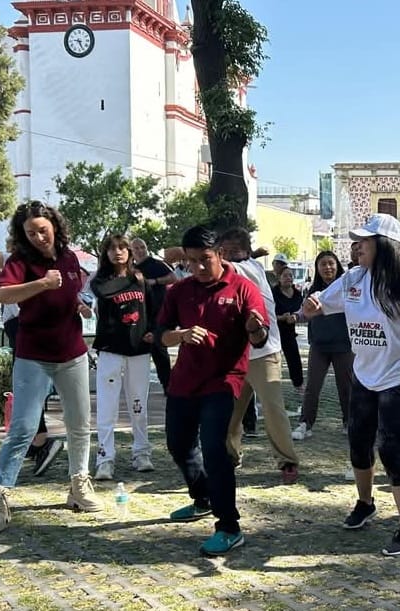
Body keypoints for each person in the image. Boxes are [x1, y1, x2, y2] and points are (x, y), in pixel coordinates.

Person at [302, 214, 400, 556]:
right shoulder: (352, 279)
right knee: (358, 443)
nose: (357, 247)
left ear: (384, 246)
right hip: (364, 373)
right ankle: (365, 503)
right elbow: (316, 307)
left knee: (390, 448)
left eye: (365, 242)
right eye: (357, 241)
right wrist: (311, 306)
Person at [0, 202, 103, 532]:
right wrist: (40, 285)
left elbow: (72, 291)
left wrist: (79, 304)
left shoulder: (69, 257)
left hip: (73, 354)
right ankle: (0, 498)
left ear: (54, 226)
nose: (38, 236)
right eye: (30, 232)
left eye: (43, 230)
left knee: (79, 424)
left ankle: (78, 485)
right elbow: (3, 296)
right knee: (22, 429)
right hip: (33, 356)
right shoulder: (21, 261)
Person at [157, 225, 269, 556]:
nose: (198, 268)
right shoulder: (179, 290)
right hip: (184, 380)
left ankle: (229, 526)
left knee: (215, 449)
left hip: (224, 381)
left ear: (220, 254)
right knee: (178, 444)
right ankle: (202, 497)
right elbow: (160, 334)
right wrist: (179, 336)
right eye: (191, 261)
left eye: (204, 259)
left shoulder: (244, 288)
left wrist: (254, 328)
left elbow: (260, 335)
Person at [0, 247, 64, 476]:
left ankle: (41, 441)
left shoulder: (19, 258)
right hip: (18, 324)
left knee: (27, 384)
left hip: (22, 323)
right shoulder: (18, 262)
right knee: (25, 383)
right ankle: (37, 441)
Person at [217, 228, 301, 485]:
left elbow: (225, 268)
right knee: (229, 411)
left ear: (245, 251)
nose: (228, 256)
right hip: (234, 355)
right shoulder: (228, 271)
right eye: (225, 251)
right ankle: (230, 455)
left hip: (263, 353)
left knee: (274, 410)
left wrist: (188, 253)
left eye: (234, 251)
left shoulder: (249, 269)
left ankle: (287, 461)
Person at [90, 234, 155, 481]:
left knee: (139, 405)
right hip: (110, 350)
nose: (118, 252)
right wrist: (131, 276)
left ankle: (141, 452)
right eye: (112, 248)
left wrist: (152, 330)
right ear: (105, 253)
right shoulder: (100, 281)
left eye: (123, 248)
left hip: (138, 350)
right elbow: (106, 292)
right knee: (107, 407)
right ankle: (105, 458)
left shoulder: (140, 279)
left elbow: (151, 308)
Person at [291, 251, 353, 443]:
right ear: (317, 269)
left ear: (337, 266)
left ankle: (349, 423)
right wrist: (295, 316)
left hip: (343, 345)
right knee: (312, 386)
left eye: (331, 264)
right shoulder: (312, 290)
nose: (328, 268)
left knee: (347, 388)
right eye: (323, 264)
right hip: (319, 345)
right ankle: (305, 424)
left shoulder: (347, 287)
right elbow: (304, 312)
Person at [132, 238, 178, 393]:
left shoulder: (156, 264)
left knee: (159, 351)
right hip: (139, 316)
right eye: (136, 248)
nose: (140, 250)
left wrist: (155, 281)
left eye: (142, 247)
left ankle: (169, 386)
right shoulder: (131, 268)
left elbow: (173, 278)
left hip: (158, 314)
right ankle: (138, 389)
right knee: (140, 353)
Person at [271, 266, 305, 397]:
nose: (288, 278)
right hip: (274, 332)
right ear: (279, 278)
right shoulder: (274, 293)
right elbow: (268, 314)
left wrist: (296, 317)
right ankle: (272, 386)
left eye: (290, 276)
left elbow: (302, 312)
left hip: (289, 332)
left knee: (294, 359)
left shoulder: (297, 294)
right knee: (274, 360)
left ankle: (299, 384)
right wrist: (281, 317)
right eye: (285, 275)